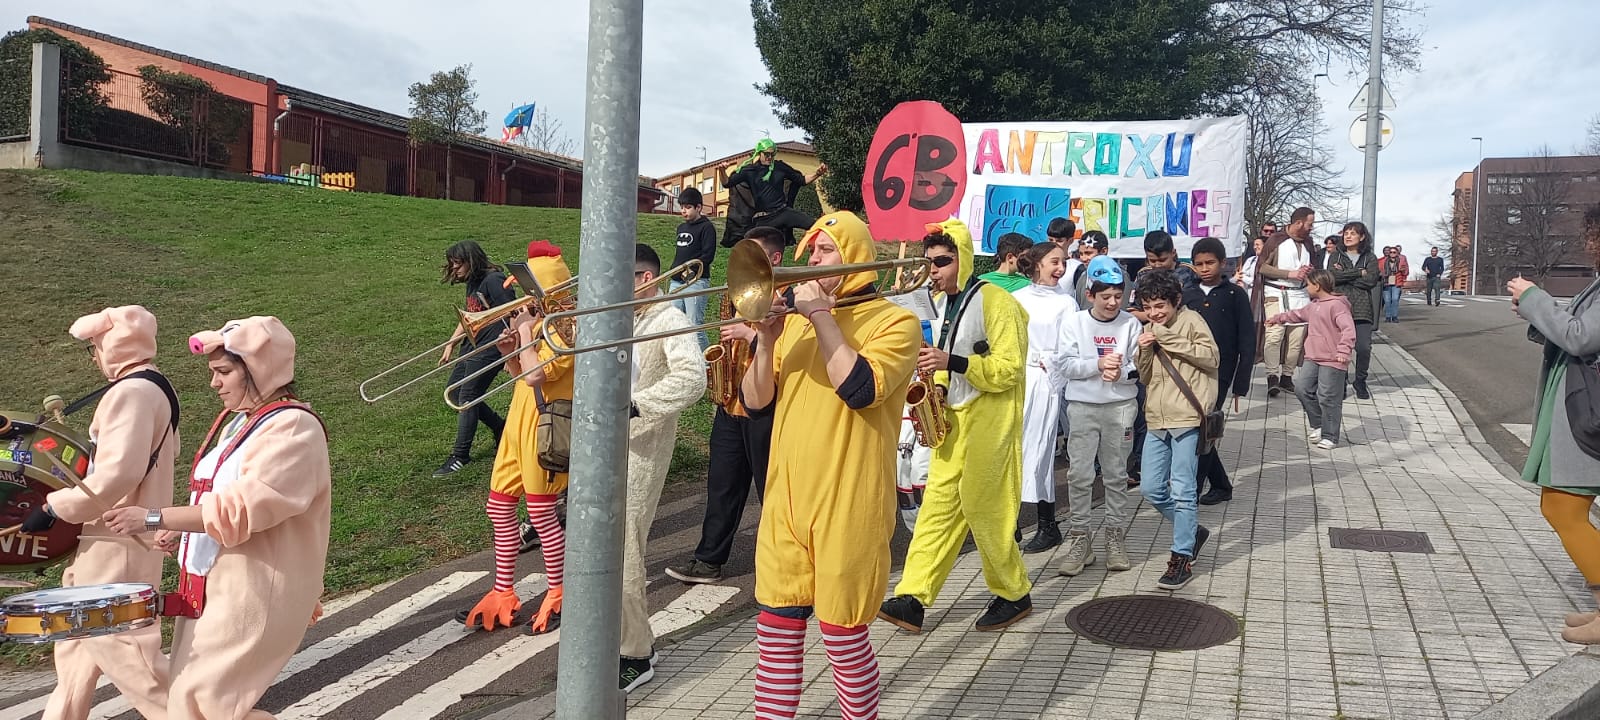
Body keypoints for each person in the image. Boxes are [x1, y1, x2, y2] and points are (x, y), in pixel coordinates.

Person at [101, 315, 330, 720]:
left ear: (258, 370)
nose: (214, 383)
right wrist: (179, 529)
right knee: (192, 704)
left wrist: (152, 517)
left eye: (224, 372)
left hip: (254, 591)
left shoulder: (293, 428)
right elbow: (216, 500)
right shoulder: (242, 422)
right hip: (214, 586)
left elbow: (241, 510)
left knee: (201, 705)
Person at [743, 211, 920, 720]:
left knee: (842, 632)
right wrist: (767, 339)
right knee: (775, 629)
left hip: (850, 499)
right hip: (786, 498)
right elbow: (755, 402)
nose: (813, 262)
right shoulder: (794, 326)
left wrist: (820, 315)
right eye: (811, 253)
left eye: (825, 252)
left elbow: (859, 388)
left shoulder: (895, 321)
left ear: (855, 256)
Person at [878, 218, 1033, 634]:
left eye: (943, 261)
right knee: (937, 506)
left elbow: (1010, 369)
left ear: (962, 258)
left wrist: (954, 365)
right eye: (930, 261)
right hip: (956, 417)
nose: (934, 269)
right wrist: (940, 388)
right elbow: (945, 361)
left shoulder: (996, 301)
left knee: (987, 508)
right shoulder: (945, 303)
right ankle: (912, 596)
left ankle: (1014, 592)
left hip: (992, 417)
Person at [23, 306, 176, 720]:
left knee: (130, 656)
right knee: (74, 653)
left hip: (117, 540)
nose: (93, 356)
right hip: (115, 537)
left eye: (95, 346)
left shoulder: (131, 393)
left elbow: (117, 475)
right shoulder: (155, 386)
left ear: (115, 345)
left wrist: (56, 505)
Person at [459, 241, 574, 635]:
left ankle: (559, 590)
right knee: (498, 505)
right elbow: (519, 375)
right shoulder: (540, 325)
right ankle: (502, 589)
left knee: (542, 514)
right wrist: (510, 351)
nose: (524, 302)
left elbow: (537, 376)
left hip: (546, 426)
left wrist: (524, 333)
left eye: (530, 293)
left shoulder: (567, 327)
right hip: (517, 424)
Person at [666, 227, 786, 585]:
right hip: (731, 404)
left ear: (775, 259)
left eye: (755, 255)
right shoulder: (738, 296)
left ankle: (785, 564)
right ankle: (708, 560)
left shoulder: (786, 300)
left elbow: (790, 354)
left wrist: (750, 335)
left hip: (767, 410)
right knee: (721, 487)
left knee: (773, 491)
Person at [619, 244, 709, 691]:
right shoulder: (614, 314)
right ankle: (607, 639)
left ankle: (636, 651)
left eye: (624, 275)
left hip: (642, 446)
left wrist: (637, 406)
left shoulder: (669, 318)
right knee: (594, 545)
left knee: (625, 547)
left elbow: (694, 378)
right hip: (599, 445)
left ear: (643, 278)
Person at [1509, 209, 1600, 644]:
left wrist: (1534, 299)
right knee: (1562, 505)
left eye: (1594, 234)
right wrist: (1535, 312)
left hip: (1589, 412)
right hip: (1582, 407)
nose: (1589, 243)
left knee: (1563, 507)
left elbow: (1582, 337)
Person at [1055, 257, 1142, 577]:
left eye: (1118, 296)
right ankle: (1080, 538)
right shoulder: (1075, 323)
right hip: (1082, 407)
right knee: (1079, 474)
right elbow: (1064, 365)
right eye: (1105, 296)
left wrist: (1120, 373)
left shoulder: (1131, 324)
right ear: (1089, 294)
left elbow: (1138, 368)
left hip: (1120, 407)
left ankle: (1114, 537)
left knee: (1117, 474)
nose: (1112, 302)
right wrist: (1097, 365)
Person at [1133, 269, 1218, 591]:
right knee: (1150, 488)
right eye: (1149, 306)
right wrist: (1142, 349)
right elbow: (1144, 376)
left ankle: (1181, 556)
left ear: (1176, 302)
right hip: (1157, 417)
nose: (1155, 313)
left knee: (1183, 490)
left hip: (1187, 418)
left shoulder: (1192, 321)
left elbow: (1212, 358)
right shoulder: (1150, 328)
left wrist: (1166, 338)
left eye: (1161, 306)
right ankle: (1192, 530)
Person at [1011, 242, 1078, 553]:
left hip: (1046, 380)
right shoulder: (1016, 298)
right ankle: (1007, 523)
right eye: (1054, 261)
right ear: (1036, 263)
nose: (1061, 268)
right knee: (1009, 448)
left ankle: (1047, 524)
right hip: (1016, 378)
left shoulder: (1066, 304)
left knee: (1039, 449)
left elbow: (1071, 347)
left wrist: (1052, 364)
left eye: (1063, 261)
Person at [436, 240, 514, 477]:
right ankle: (500, 427)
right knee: (455, 391)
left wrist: (511, 354)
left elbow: (515, 312)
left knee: (468, 397)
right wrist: (451, 343)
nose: (455, 269)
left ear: (472, 260)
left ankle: (460, 455)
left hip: (490, 347)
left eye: (458, 264)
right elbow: (470, 316)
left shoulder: (494, 280)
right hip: (472, 344)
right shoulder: (473, 282)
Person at [1186, 238, 1254, 505]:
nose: (1204, 268)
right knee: (1194, 428)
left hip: (1221, 373)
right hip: (1189, 372)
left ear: (1222, 263)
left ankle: (1193, 489)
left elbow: (1247, 339)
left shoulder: (1235, 294)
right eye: (1199, 264)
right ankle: (1221, 485)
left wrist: (1241, 383)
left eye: (1210, 263)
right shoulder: (1186, 294)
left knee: (1205, 427)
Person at [1267, 270, 1356, 450]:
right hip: (1313, 356)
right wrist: (1278, 318)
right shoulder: (1314, 305)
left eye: (1308, 284)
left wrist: (1343, 350)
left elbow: (1348, 329)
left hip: (1333, 359)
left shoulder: (1337, 305)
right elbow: (1297, 315)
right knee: (1302, 389)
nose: (1306, 288)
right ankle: (1318, 424)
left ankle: (1330, 435)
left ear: (1317, 285)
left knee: (1328, 397)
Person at [1253, 207, 1317, 398]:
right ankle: (1272, 375)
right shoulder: (1276, 240)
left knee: (1296, 339)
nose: (1311, 228)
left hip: (1300, 294)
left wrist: (1308, 272)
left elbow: (1314, 268)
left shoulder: (1308, 243)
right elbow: (1262, 267)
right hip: (1276, 292)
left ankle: (1287, 376)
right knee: (1275, 335)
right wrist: (1289, 274)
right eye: (1310, 224)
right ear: (1299, 223)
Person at [719, 138, 827, 246]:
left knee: (816, 225)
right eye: (766, 154)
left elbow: (802, 180)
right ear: (759, 153)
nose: (769, 157)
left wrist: (817, 174)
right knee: (754, 245)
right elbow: (727, 183)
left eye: (772, 154)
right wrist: (722, 171)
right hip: (764, 218)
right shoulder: (750, 171)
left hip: (783, 212)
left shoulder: (780, 167)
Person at [1328, 222, 1381, 400]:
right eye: (1346, 233)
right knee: (1340, 348)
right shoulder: (1336, 256)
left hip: (1362, 309)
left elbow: (1371, 281)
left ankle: (1360, 381)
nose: (1348, 236)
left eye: (1353, 233)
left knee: (1364, 348)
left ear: (1362, 237)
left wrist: (1346, 275)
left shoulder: (1370, 258)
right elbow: (1332, 277)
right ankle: (1340, 383)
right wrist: (1359, 273)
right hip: (1340, 307)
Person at [670, 187, 718, 350]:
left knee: (694, 326)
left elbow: (708, 255)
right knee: (675, 324)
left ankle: (707, 365)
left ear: (699, 207)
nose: (684, 211)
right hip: (676, 282)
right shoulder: (680, 228)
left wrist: (689, 271)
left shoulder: (707, 228)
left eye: (688, 207)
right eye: (682, 207)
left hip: (696, 281)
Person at [1379, 245, 1409, 323]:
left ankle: (1394, 316)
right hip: (1386, 283)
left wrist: (1403, 271)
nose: (1392, 253)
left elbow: (1406, 272)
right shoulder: (1383, 261)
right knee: (1387, 301)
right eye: (1391, 252)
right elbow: (1378, 271)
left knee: (1395, 299)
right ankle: (1388, 317)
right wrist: (1382, 274)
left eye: (1394, 252)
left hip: (1397, 282)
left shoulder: (1401, 261)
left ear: (1397, 253)